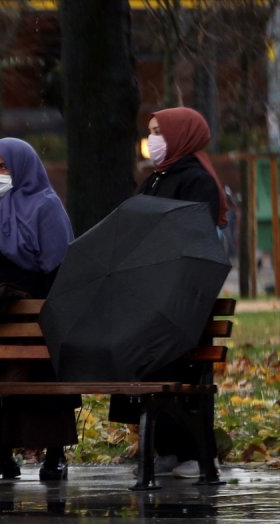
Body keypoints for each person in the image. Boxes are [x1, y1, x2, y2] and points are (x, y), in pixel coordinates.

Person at [112, 106, 227, 479]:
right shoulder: (156, 179)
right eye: (150, 131)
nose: (153, 140)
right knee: (140, 361)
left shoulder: (197, 181)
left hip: (180, 299)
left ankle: (193, 452)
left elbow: (192, 238)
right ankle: (166, 448)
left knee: (175, 367)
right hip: (148, 297)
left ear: (181, 135)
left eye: (160, 131)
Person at [0, 138, 78, 482]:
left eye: (5, 167)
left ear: (22, 168)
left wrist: (41, 313)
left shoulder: (45, 207)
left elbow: (58, 265)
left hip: (35, 316)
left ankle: (55, 454)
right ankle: (2, 453)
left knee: (43, 382)